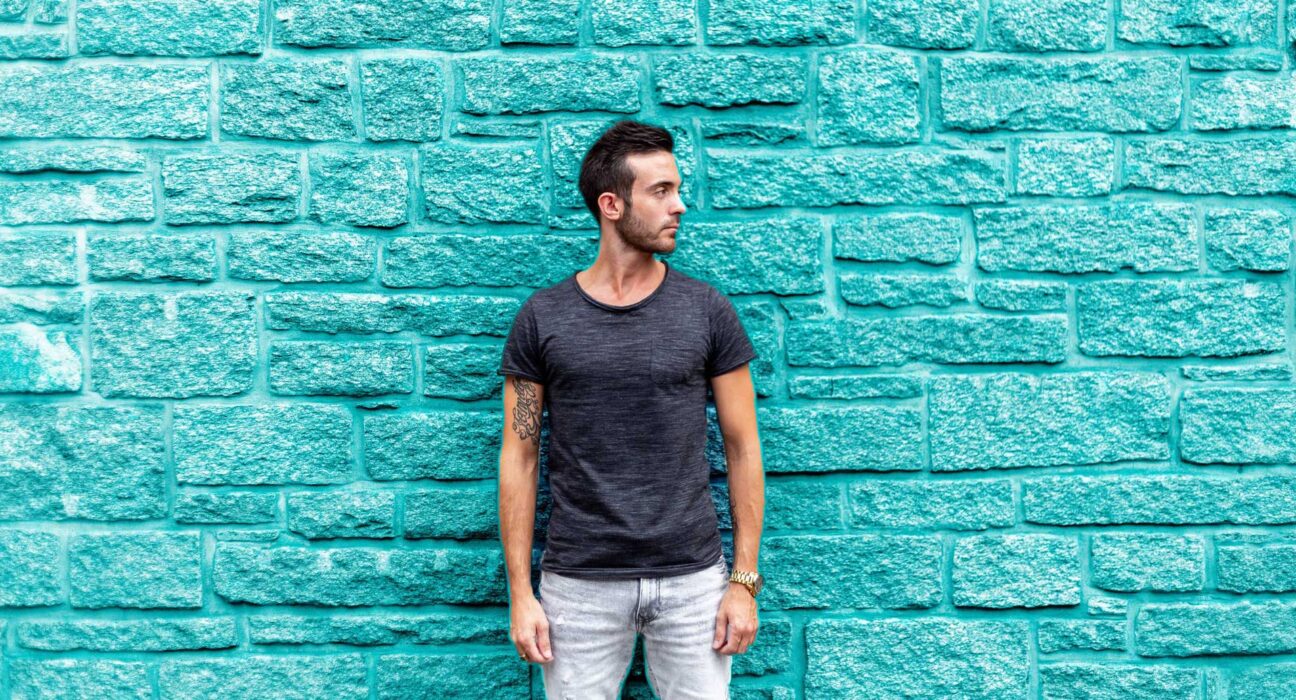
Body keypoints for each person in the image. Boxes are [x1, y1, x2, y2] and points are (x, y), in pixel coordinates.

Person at [496, 119, 766, 699]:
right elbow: (519, 455)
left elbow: (743, 448)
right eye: (661, 191)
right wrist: (521, 593)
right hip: (578, 585)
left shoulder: (707, 311)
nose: (680, 206)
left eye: (677, 189)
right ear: (612, 205)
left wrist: (743, 581)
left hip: (693, 583)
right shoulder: (542, 319)